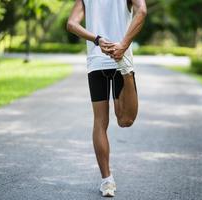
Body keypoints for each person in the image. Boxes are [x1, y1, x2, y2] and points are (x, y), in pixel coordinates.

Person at [67, 0, 147, 197]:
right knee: (115, 121)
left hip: (99, 59)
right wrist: (116, 44)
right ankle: (107, 179)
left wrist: (100, 41)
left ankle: (107, 182)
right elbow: (142, 11)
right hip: (109, 58)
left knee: (111, 121)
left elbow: (72, 24)